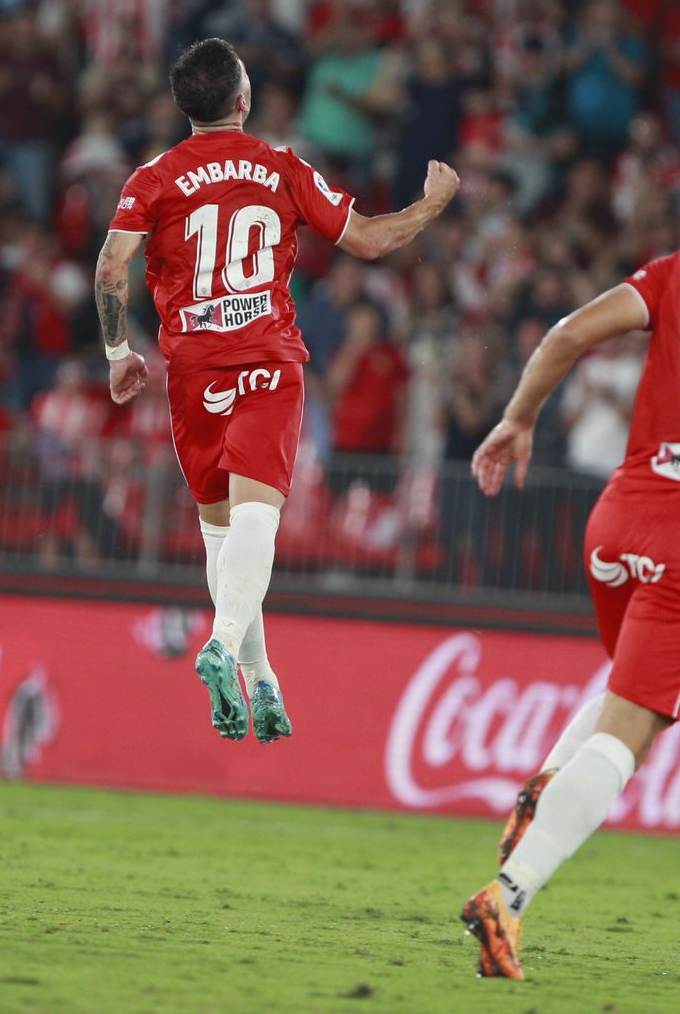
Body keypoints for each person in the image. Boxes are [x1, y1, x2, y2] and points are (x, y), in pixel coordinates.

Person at [95, 38, 458, 743]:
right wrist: (432, 202)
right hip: (265, 358)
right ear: (243, 99)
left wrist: (116, 352)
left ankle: (260, 680)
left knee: (220, 534)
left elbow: (112, 266)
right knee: (258, 517)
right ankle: (224, 646)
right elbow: (371, 241)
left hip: (192, 368)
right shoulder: (281, 166)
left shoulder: (154, 176)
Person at [458, 249, 680, 980]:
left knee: (624, 692)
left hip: (620, 515)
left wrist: (517, 419)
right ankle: (507, 896)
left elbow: (565, 335)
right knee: (630, 735)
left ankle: (546, 783)